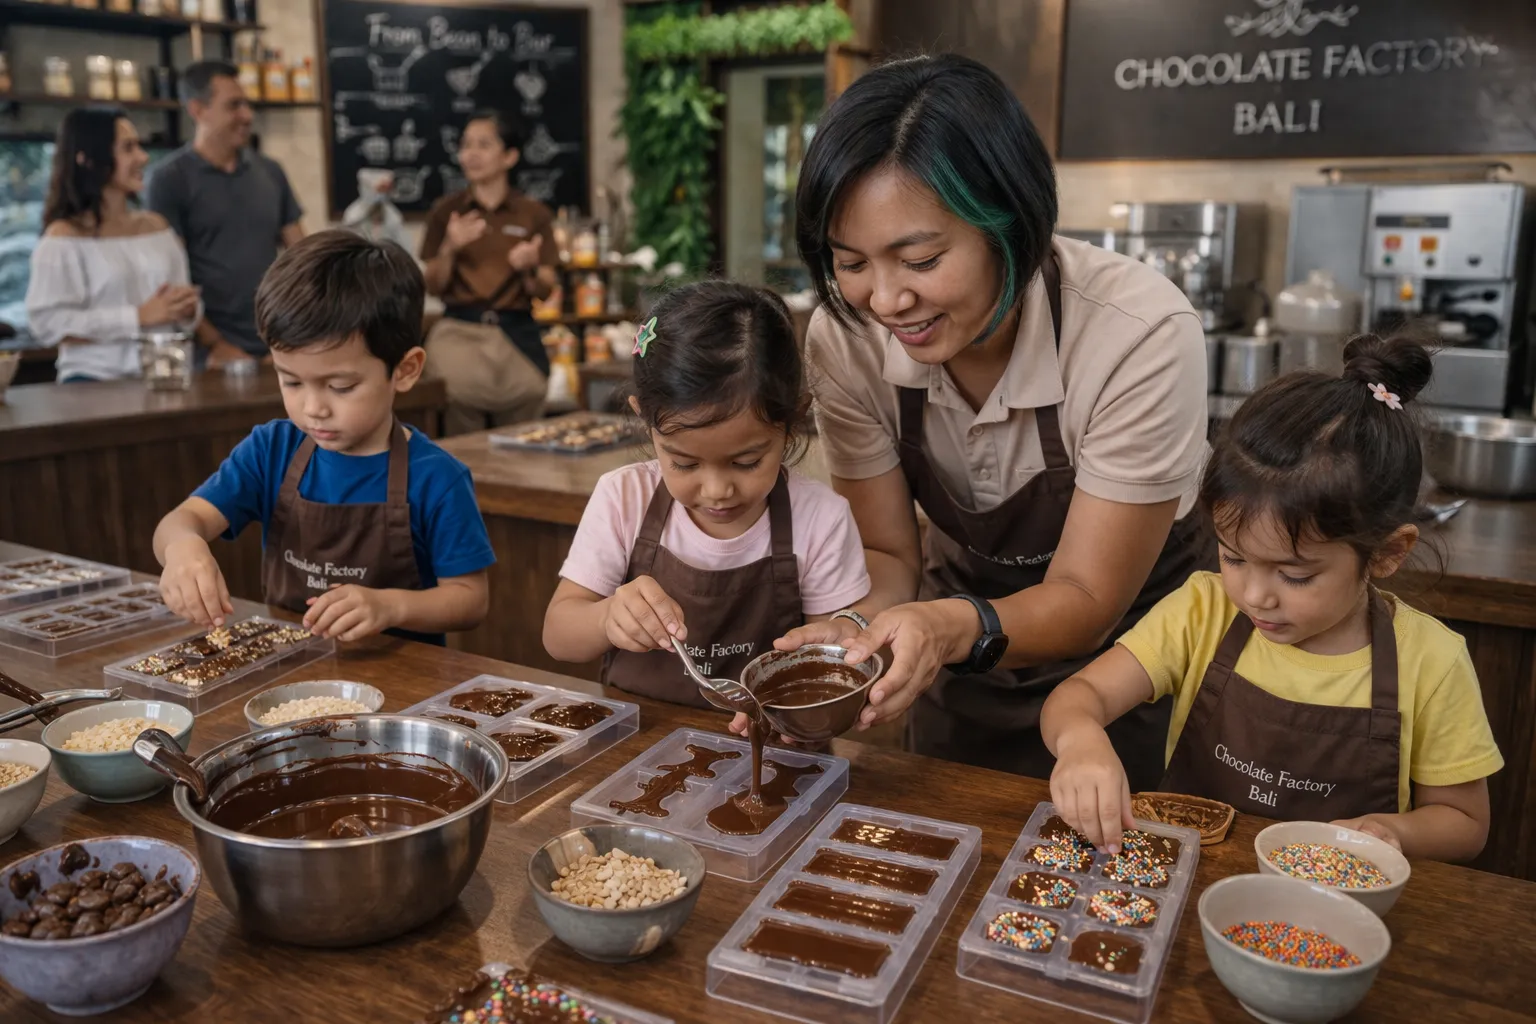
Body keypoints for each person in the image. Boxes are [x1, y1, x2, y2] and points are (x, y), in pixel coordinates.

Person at [784, 54, 1213, 787]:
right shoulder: (846, 338)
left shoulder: (1137, 332)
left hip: (1132, 668)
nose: (885, 301)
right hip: (958, 665)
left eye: (920, 260)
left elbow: (1087, 598)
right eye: (850, 263)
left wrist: (946, 625)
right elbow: (888, 554)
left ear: (1010, 222)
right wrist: (853, 633)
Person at [1042, 336, 1502, 862]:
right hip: (1190, 882)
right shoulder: (1202, 613)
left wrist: (1392, 831)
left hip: (1334, 899)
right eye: (1234, 558)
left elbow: (1465, 824)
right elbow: (1075, 698)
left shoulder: (1431, 662)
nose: (1255, 596)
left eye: (1294, 575)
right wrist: (1080, 741)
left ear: (1386, 553)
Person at [153, 231, 494, 646]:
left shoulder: (437, 477)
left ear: (405, 370)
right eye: (292, 381)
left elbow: (470, 599)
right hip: (289, 662)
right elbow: (180, 521)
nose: (313, 408)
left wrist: (390, 606)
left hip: (400, 673)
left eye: (340, 387)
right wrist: (183, 548)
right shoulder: (271, 451)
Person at [543, 281, 871, 705]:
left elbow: (827, 659)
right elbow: (559, 636)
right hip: (639, 734)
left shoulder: (820, 518)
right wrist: (607, 619)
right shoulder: (624, 498)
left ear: (793, 420)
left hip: (764, 736)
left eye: (746, 462)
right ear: (646, 420)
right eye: (684, 463)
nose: (717, 491)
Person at [144, 60, 304, 365]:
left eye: (247, 104)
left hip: (275, 345)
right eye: (233, 105)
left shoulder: (270, 171)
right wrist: (216, 345)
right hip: (209, 357)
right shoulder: (169, 179)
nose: (247, 115)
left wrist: (293, 338)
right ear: (197, 110)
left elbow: (303, 258)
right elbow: (170, 277)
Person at [26, 107, 200, 382]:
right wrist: (137, 317)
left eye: (139, 146)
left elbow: (185, 307)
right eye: (128, 148)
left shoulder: (158, 227)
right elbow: (47, 324)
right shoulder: (63, 238)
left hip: (165, 379)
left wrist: (187, 309)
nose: (143, 157)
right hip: (92, 383)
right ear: (88, 159)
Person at [419, 110, 559, 435]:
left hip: (516, 334)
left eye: (483, 145)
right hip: (460, 331)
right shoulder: (446, 212)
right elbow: (432, 285)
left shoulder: (534, 213)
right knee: (460, 426)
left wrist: (528, 269)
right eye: (466, 145)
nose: (471, 154)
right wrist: (450, 247)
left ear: (509, 156)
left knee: (527, 421)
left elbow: (546, 289)